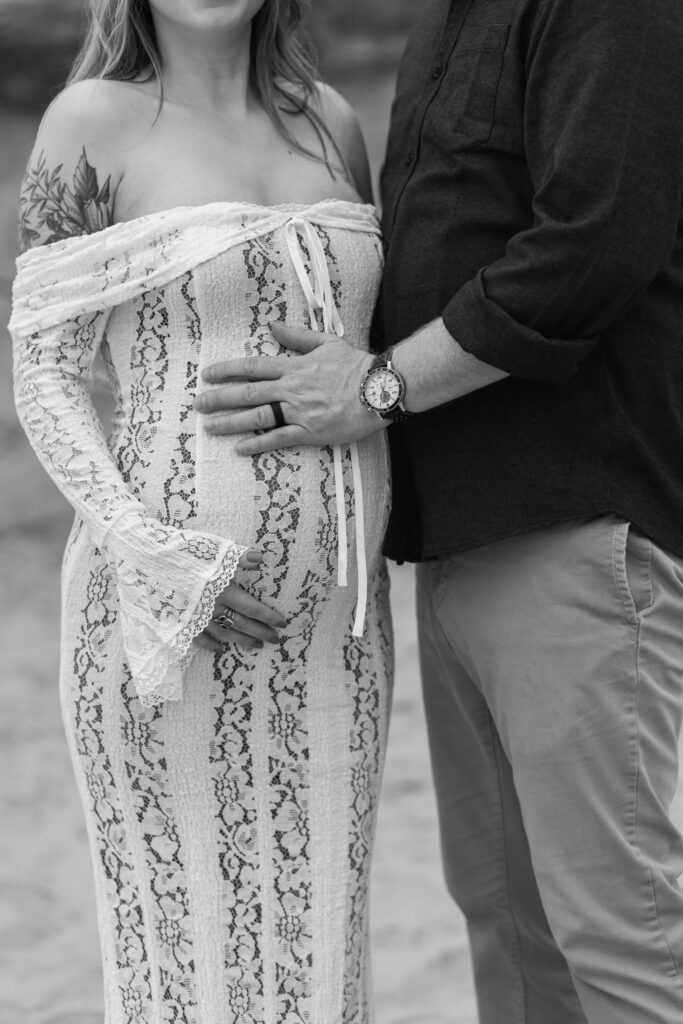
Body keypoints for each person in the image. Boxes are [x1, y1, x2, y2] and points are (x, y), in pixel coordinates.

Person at [195, 0, 683, 1021]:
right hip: (450, 541)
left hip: (572, 531)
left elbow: (591, 246)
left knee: (622, 943)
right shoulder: (447, 19)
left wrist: (373, 387)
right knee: (509, 928)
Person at [10, 1, 394, 1021]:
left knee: (320, 954)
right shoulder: (91, 120)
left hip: (333, 628)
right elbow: (46, 375)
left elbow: (362, 360)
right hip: (164, 614)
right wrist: (165, 563)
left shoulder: (331, 121)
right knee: (186, 959)